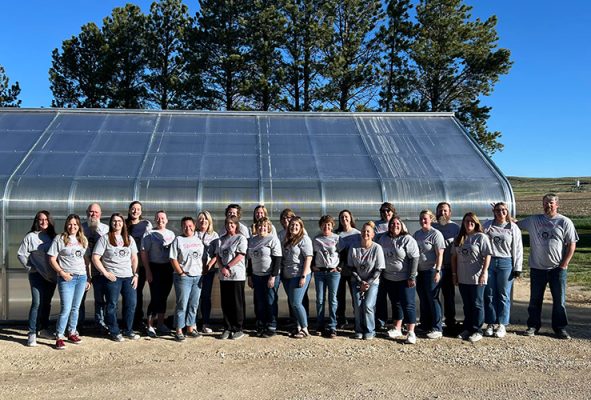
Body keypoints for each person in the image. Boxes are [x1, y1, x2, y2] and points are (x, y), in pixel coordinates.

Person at [517, 193, 578, 340]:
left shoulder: (564, 222)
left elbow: (572, 244)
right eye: (545, 203)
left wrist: (564, 264)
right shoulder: (533, 220)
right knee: (535, 299)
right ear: (542, 204)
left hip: (557, 269)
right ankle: (533, 326)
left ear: (557, 205)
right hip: (537, 268)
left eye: (551, 203)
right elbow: (515, 224)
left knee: (559, 301)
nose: (548, 205)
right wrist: (503, 212)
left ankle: (560, 328)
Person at [92, 213, 140, 342]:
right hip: (113, 278)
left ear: (123, 223)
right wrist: (105, 272)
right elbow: (95, 257)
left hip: (128, 277)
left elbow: (134, 258)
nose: (117, 223)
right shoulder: (105, 239)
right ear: (111, 223)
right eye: (114, 221)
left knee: (131, 304)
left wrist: (135, 274)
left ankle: (128, 330)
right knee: (112, 305)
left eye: (119, 221)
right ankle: (114, 331)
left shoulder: (129, 239)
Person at [48, 214, 90, 350]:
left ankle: (72, 332)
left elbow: (86, 259)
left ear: (79, 226)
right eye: (70, 224)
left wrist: (88, 277)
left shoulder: (83, 240)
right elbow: (52, 258)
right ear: (66, 225)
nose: (73, 227)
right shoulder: (60, 239)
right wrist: (61, 273)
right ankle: (59, 336)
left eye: (75, 224)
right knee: (65, 308)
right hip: (67, 278)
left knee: (75, 308)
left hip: (81, 277)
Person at [483, 202, 523, 338]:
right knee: (489, 294)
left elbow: (518, 248)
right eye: (498, 210)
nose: (501, 212)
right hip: (490, 261)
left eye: (504, 210)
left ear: (507, 211)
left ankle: (502, 324)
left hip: (506, 262)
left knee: (503, 294)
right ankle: (490, 323)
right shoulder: (488, 225)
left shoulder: (512, 227)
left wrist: (517, 267)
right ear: (494, 211)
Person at [17, 210, 58, 347]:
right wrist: (31, 268)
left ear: (50, 221)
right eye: (40, 219)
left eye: (46, 219)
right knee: (36, 303)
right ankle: (32, 333)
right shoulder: (31, 237)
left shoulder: (54, 237)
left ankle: (43, 329)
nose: (43, 222)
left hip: (51, 277)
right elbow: (21, 254)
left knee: (46, 303)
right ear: (36, 221)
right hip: (37, 276)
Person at [377, 216, 420, 344]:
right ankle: (397, 328)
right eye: (392, 224)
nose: (394, 226)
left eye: (397, 224)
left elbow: (414, 258)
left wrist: (411, 276)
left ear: (401, 226)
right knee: (395, 303)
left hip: (405, 279)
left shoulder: (407, 239)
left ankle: (411, 332)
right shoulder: (383, 239)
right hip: (389, 278)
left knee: (408, 304)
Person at [452, 212, 492, 343]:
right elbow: (454, 257)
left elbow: (487, 255)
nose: (469, 223)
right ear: (463, 223)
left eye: (472, 221)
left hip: (477, 277)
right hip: (463, 277)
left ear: (476, 223)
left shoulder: (481, 237)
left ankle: (477, 330)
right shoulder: (459, 238)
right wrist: (454, 274)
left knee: (477, 303)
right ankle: (467, 328)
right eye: (466, 221)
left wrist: (484, 272)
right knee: (467, 304)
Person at [207, 216, 248, 340]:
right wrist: (222, 267)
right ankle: (227, 327)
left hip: (236, 276)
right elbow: (218, 256)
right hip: (224, 276)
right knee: (226, 303)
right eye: (228, 223)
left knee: (237, 302)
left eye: (232, 224)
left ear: (236, 225)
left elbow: (240, 255)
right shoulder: (221, 240)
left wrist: (228, 266)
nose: (230, 226)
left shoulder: (241, 238)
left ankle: (238, 328)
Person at [348, 221, 385, 340]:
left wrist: (367, 283)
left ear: (373, 234)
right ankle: (359, 329)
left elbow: (379, 269)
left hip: (372, 282)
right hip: (357, 281)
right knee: (358, 306)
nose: (365, 233)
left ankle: (370, 330)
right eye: (363, 231)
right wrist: (360, 282)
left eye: (368, 231)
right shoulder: (354, 248)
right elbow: (351, 267)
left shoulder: (377, 248)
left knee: (368, 305)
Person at [141, 211, 176, 338]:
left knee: (163, 297)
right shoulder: (149, 234)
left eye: (163, 218)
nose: (160, 220)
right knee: (155, 296)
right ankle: (150, 325)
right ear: (155, 220)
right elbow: (144, 253)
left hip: (167, 267)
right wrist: (148, 271)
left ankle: (160, 323)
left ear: (167, 220)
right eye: (158, 218)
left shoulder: (171, 234)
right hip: (154, 267)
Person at [170, 217, 205, 341]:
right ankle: (179, 329)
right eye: (185, 226)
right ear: (181, 227)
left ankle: (190, 327)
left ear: (194, 226)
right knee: (182, 304)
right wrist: (181, 272)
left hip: (197, 276)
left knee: (193, 304)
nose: (187, 228)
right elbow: (173, 258)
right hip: (183, 277)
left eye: (190, 225)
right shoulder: (178, 240)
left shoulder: (198, 240)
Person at [247, 217, 282, 337]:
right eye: (260, 226)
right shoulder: (252, 240)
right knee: (260, 302)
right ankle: (261, 324)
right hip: (257, 276)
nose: (262, 228)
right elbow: (250, 260)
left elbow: (277, 259)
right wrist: (250, 276)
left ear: (269, 228)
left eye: (265, 226)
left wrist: (273, 276)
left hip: (269, 276)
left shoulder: (273, 239)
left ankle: (271, 325)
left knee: (270, 300)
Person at [413, 210, 445, 339]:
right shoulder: (417, 234)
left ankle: (437, 327)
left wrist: (437, 271)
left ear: (431, 219)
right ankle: (425, 324)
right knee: (424, 299)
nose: (423, 221)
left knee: (433, 299)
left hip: (431, 271)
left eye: (425, 218)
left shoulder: (435, 234)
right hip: (420, 271)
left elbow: (440, 254)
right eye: (421, 218)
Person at [281, 216, 313, 339]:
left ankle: (305, 328)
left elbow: (308, 258)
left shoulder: (304, 239)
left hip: (299, 274)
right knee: (293, 302)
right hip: (287, 275)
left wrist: (303, 276)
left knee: (296, 302)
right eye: (292, 225)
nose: (294, 227)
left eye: (296, 225)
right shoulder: (287, 239)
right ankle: (298, 327)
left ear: (300, 227)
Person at [81, 203, 110, 335]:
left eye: (96, 212)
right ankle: (78, 324)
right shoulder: (80, 227)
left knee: (100, 298)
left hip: (100, 268)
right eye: (91, 212)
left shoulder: (106, 229)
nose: (93, 215)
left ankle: (100, 323)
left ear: (100, 214)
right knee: (80, 298)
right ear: (87, 213)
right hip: (82, 268)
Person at [432, 202, 461, 333]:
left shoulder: (455, 228)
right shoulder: (432, 226)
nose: (442, 213)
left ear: (450, 213)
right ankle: (435, 323)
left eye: (445, 211)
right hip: (434, 268)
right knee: (434, 296)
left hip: (449, 268)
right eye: (440, 211)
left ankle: (450, 322)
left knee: (449, 296)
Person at [312, 215, 340, 338]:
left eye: (328, 224)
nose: (326, 227)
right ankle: (320, 325)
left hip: (333, 273)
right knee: (320, 299)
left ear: (332, 226)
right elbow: (311, 254)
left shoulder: (337, 238)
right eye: (324, 224)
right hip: (320, 273)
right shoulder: (316, 239)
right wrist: (313, 266)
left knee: (333, 300)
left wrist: (339, 267)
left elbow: (343, 254)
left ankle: (333, 326)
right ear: (320, 226)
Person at [126, 201, 152, 331]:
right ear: (129, 210)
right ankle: (128, 319)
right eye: (133, 208)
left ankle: (138, 319)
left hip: (140, 265)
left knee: (138, 292)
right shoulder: (124, 224)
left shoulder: (146, 224)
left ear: (141, 212)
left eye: (138, 209)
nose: (135, 211)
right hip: (125, 265)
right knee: (128, 293)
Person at [335, 210, 360, 329]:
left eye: (346, 216)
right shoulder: (336, 234)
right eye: (341, 217)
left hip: (353, 270)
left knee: (356, 296)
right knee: (339, 296)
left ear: (350, 218)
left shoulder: (357, 234)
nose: (344, 219)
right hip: (339, 270)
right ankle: (341, 319)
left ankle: (358, 319)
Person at [195, 211, 219, 333]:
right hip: (194, 270)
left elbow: (216, 254)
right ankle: (192, 323)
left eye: (206, 219)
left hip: (208, 271)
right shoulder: (193, 234)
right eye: (200, 219)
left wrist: (209, 266)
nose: (203, 221)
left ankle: (205, 322)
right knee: (194, 297)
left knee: (205, 296)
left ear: (209, 221)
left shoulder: (214, 235)